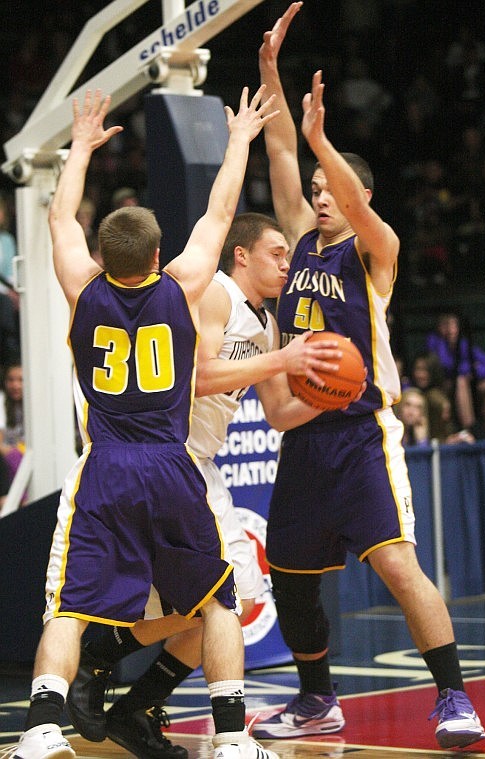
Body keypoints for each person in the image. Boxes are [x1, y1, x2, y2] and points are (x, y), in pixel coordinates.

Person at [11, 87, 282, 759]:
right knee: (218, 601)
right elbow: (222, 210)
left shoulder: (81, 286)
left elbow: (59, 219)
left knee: (70, 606)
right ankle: (229, 739)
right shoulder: (186, 285)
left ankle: (43, 727)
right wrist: (241, 137)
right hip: (171, 463)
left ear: (104, 258)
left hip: (104, 465)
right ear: (159, 256)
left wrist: (80, 148)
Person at [252, 3, 485, 750]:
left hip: (361, 432)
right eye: (319, 186)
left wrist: (326, 145)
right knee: (289, 573)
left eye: (334, 186)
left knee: (395, 562)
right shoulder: (301, 243)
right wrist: (269, 73)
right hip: (305, 435)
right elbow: (282, 151)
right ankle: (317, 699)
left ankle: (452, 696)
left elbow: (334, 181)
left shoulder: (374, 251)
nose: (320, 193)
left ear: (358, 193)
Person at [63, 211, 343, 755]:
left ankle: (125, 693)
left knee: (215, 607)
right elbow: (199, 378)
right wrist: (282, 359)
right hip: (167, 457)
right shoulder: (212, 295)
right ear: (242, 255)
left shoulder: (266, 325)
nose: (287, 264)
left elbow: (280, 412)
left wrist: (335, 395)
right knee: (220, 602)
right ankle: (199, 721)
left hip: (196, 464)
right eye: (276, 253)